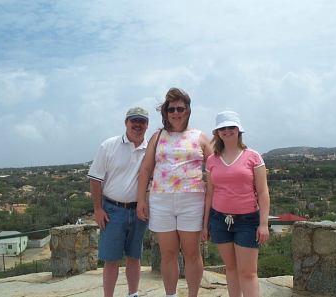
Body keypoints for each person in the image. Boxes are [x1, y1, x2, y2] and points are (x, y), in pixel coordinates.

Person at [136, 88, 212, 297]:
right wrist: (141, 200)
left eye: (180, 108)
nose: (176, 113)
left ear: (188, 110)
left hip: (193, 200)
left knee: (192, 253)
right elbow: (145, 169)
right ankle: (171, 295)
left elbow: (217, 168)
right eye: (172, 109)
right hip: (161, 200)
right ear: (166, 112)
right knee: (168, 254)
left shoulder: (200, 137)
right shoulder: (157, 136)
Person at [202, 111, 270, 297]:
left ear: (238, 130)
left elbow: (263, 192)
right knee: (230, 270)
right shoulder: (212, 160)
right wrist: (205, 224)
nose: (227, 131)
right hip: (219, 219)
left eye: (231, 127)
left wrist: (263, 224)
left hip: (247, 220)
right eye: (222, 128)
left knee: (248, 272)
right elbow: (210, 193)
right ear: (217, 132)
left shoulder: (253, 157)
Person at [88, 107, 149, 297]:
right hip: (113, 210)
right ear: (126, 123)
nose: (137, 125)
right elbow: (95, 179)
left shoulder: (151, 150)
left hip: (139, 211)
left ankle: (133, 294)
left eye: (142, 121)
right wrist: (98, 209)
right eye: (134, 121)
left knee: (134, 257)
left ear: (147, 125)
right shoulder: (109, 146)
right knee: (112, 259)